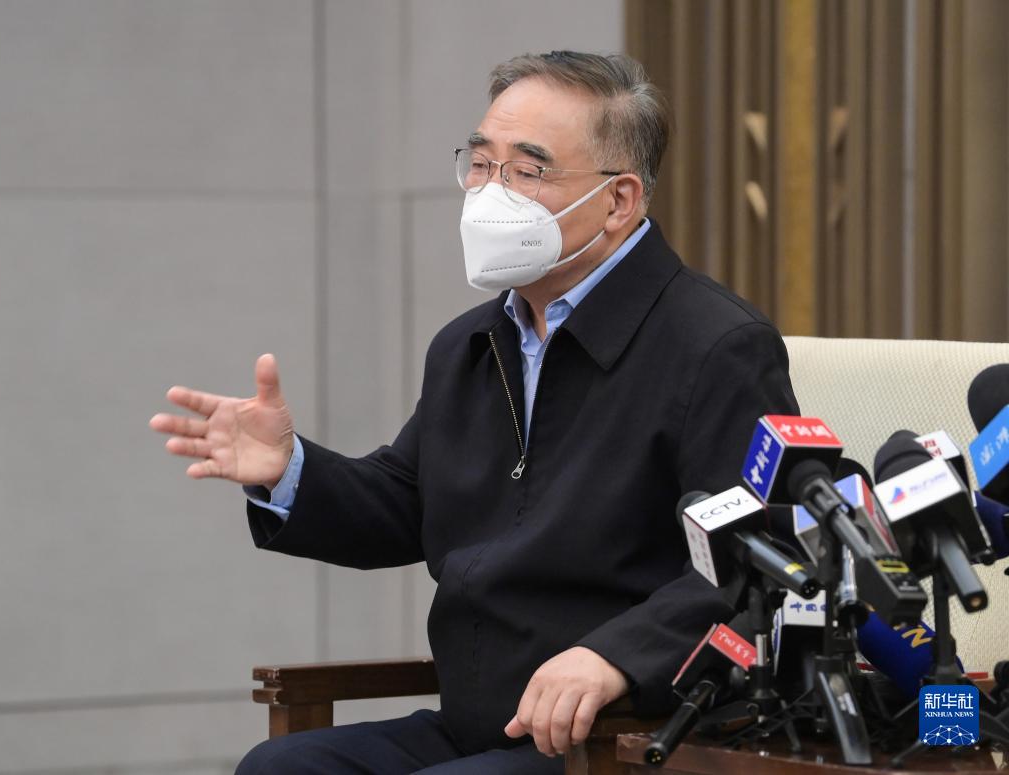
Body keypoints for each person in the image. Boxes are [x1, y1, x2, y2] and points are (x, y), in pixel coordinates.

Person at [150, 50, 799, 774]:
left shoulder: (716, 346)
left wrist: (614, 656)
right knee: (278, 769)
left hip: (627, 732)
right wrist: (287, 470)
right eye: (482, 164)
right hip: (477, 720)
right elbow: (407, 501)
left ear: (619, 201)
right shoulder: (472, 343)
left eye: (527, 171)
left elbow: (759, 559)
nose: (491, 193)